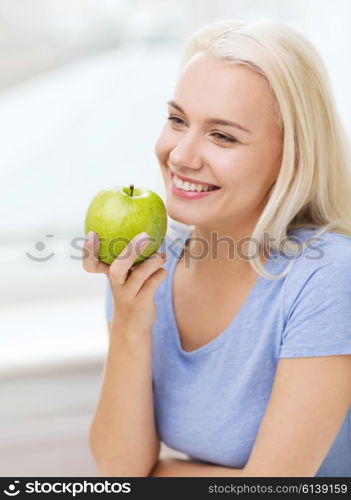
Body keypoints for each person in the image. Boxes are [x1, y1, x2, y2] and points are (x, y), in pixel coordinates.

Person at [83, 19, 351, 477]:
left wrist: (160, 472)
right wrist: (130, 321)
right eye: (177, 121)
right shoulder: (145, 260)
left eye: (222, 135)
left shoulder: (327, 275)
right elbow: (120, 468)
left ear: (291, 158)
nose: (182, 155)